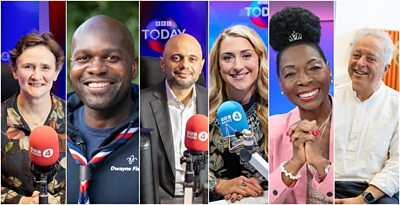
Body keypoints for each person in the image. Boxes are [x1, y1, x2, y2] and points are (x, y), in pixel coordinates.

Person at [66, 15, 139, 204]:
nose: (96, 68)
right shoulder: (46, 128)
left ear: (133, 67)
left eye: (112, 57)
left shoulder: (158, 132)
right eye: (83, 58)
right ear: (71, 66)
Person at [268, 7, 334, 204]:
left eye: (314, 68)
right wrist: (295, 163)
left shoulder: (353, 119)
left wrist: (320, 165)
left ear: (328, 71)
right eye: (290, 74)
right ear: (281, 84)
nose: (304, 80)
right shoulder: (273, 129)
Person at [140, 33, 208, 202]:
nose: (184, 65)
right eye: (176, 58)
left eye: (192, 59)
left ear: (201, 66)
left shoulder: (215, 103)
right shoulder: (139, 104)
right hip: (158, 200)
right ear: (162, 63)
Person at [335, 28, 399, 204]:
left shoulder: (397, 105)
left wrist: (363, 199)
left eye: (370, 59)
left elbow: (398, 164)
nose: (360, 63)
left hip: (375, 191)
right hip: (328, 186)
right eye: (356, 55)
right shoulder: (328, 100)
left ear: (386, 69)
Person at [1, 32, 65, 204]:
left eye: (45, 67)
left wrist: (59, 201)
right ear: (14, 70)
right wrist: (21, 202)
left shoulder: (77, 117)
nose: (36, 76)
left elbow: (89, 176)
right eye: (28, 67)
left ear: (56, 72)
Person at [208, 25, 268, 203]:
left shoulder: (279, 108)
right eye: (228, 58)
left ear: (259, 59)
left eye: (246, 55)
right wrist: (220, 185)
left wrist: (250, 186)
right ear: (218, 66)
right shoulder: (201, 110)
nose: (238, 66)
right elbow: (185, 171)